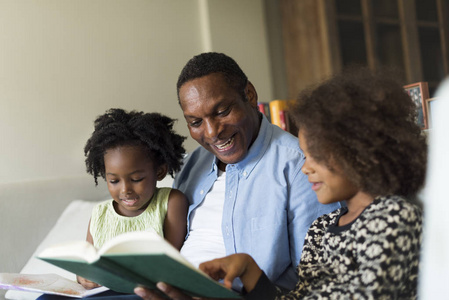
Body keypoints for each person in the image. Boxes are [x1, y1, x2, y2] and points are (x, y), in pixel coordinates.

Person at [195, 68, 427, 299]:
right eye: (305, 156)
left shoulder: (395, 216)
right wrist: (248, 269)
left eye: (316, 155)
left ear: (361, 150)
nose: (306, 167)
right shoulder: (321, 228)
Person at [134, 52, 339, 299]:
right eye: (196, 122)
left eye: (221, 111)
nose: (212, 133)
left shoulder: (300, 166)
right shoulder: (192, 164)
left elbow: (314, 282)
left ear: (250, 95)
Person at [78, 108, 188, 289]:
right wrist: (84, 276)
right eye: (113, 180)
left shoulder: (171, 202)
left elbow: (170, 264)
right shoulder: (99, 214)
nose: (125, 190)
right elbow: (87, 265)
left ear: (159, 171)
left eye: (136, 179)